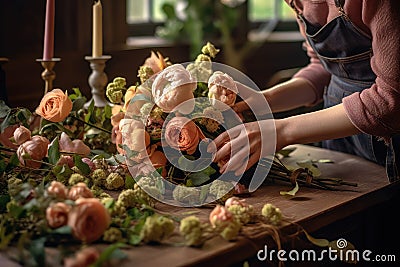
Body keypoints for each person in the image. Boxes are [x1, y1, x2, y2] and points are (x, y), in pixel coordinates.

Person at [210, 0, 400, 182]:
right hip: (337, 140)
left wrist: (282, 131)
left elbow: (390, 100)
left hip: (388, 146)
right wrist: (263, 100)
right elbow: (324, 68)